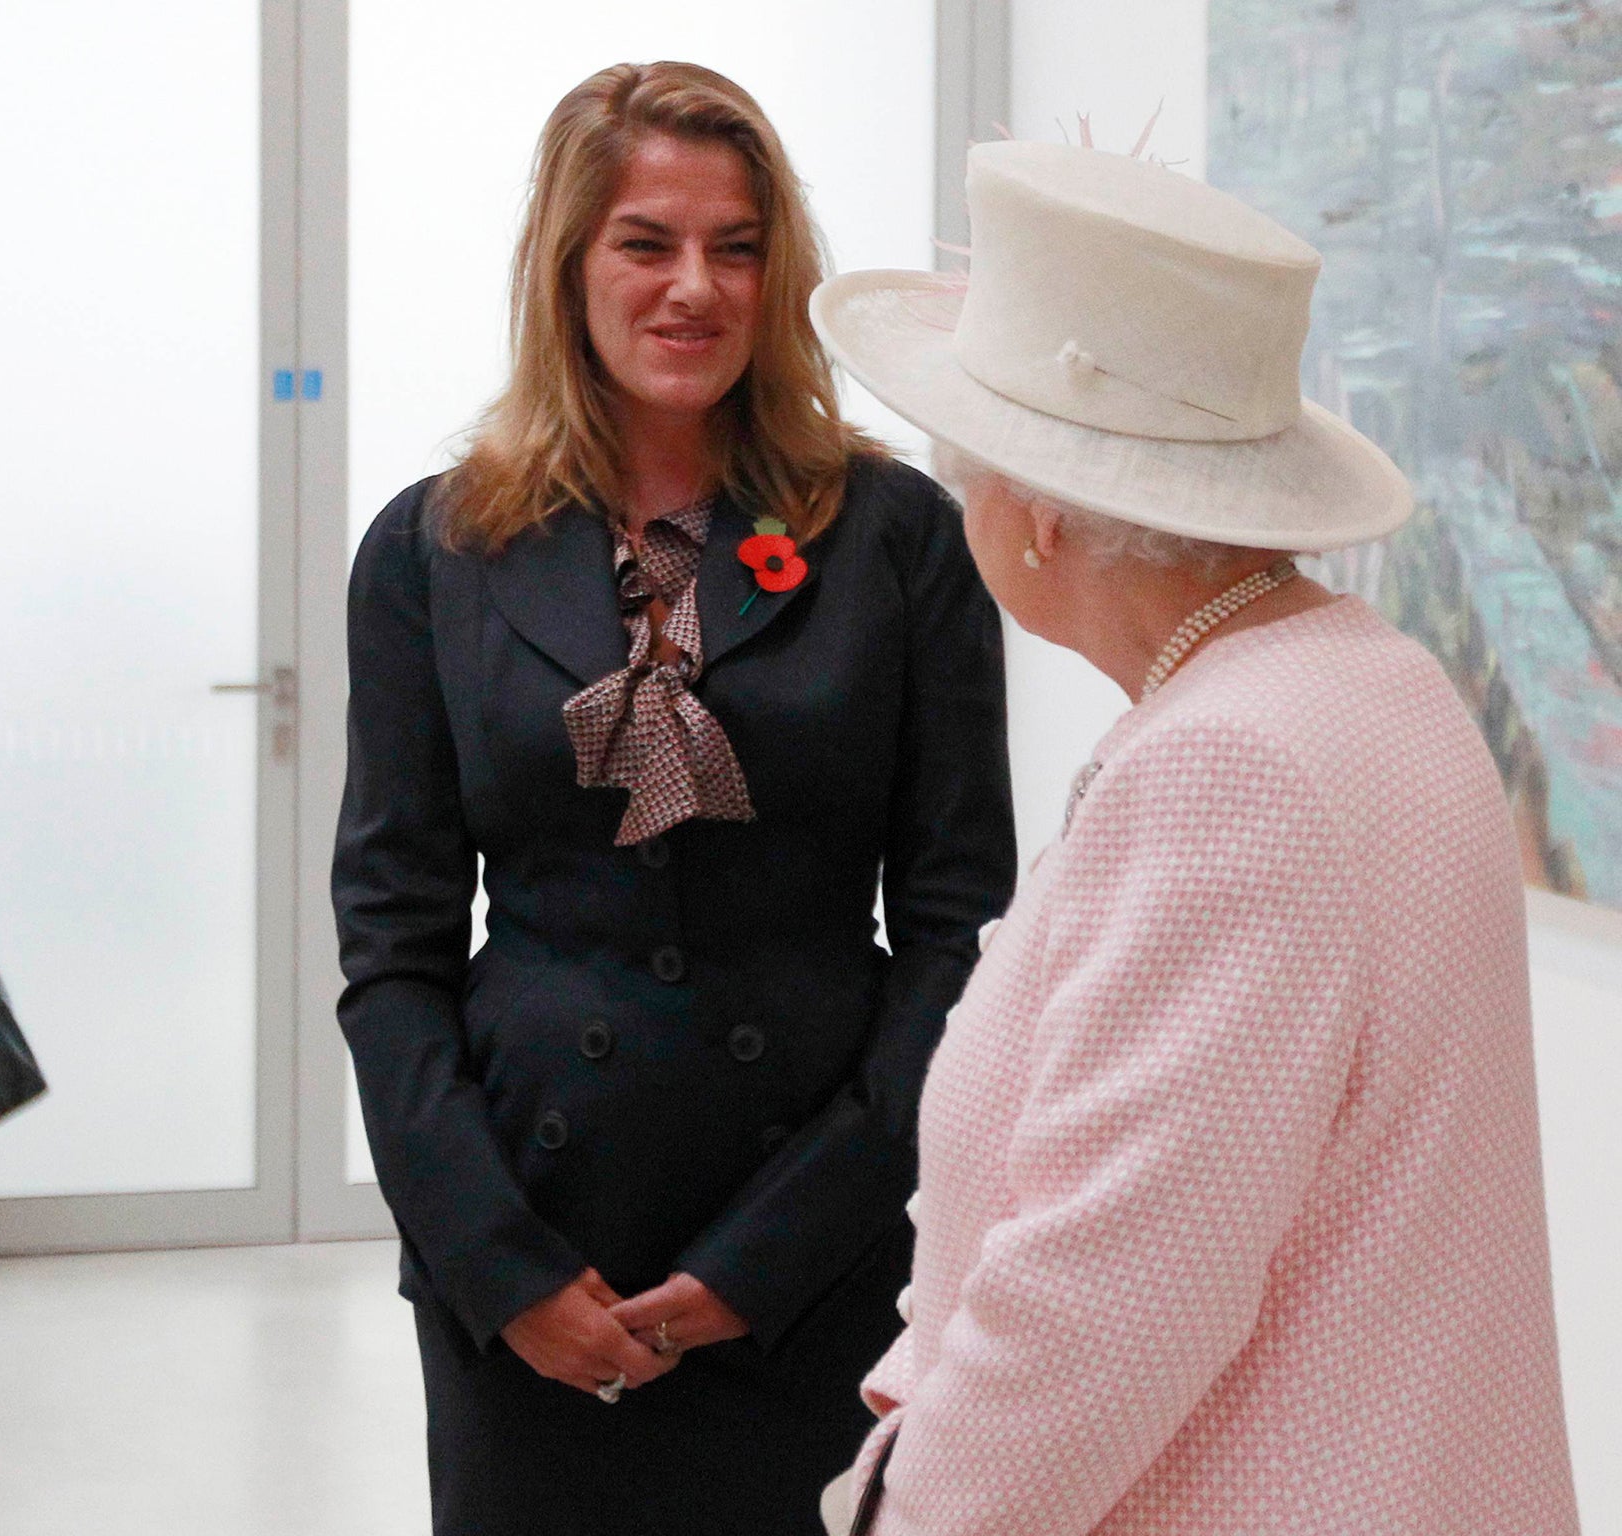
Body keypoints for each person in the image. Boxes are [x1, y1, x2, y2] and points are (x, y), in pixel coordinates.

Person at [811, 140, 1581, 1533]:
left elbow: (1107, 1299)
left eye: (963, 462)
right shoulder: (1363, 681)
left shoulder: (1231, 766)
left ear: (1039, 519)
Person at [332, 61, 1015, 1536]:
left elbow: (961, 933)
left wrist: (774, 1257)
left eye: (738, 246)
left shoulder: (898, 538)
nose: (693, 287)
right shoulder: (435, 551)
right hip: (527, 1244)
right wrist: (495, 1262)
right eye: (646, 242)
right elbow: (389, 948)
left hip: (825, 1252)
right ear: (570, 266)